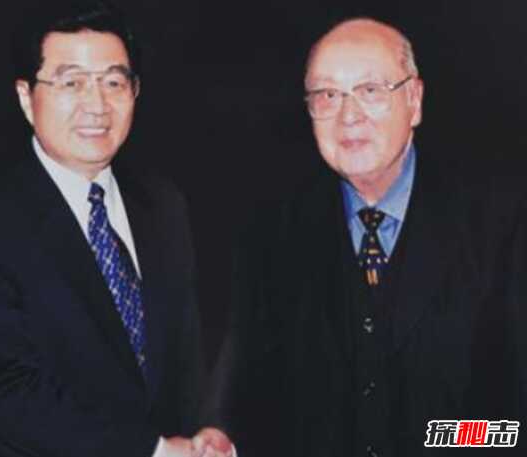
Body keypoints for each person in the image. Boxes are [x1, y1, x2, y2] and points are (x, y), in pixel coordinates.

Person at [208, 17, 526, 456]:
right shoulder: (272, 235)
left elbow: (513, 424)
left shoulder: (502, 224)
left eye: (371, 90)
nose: (349, 115)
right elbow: (245, 401)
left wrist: (434, 442)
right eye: (327, 95)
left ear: (414, 100)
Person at [0, 2, 232, 456]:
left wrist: (205, 429)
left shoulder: (162, 205)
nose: (96, 105)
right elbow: (2, 386)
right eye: (71, 82)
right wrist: (151, 450)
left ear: (135, 91)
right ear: (26, 97)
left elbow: (186, 358)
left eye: (113, 82)